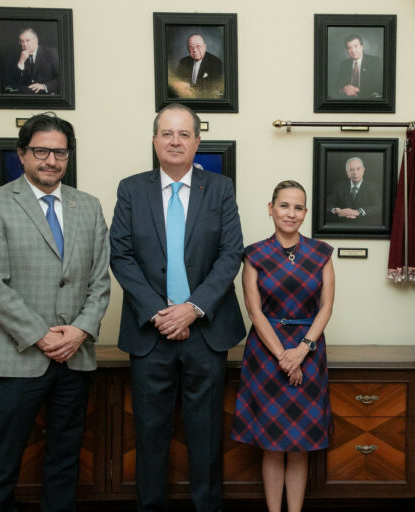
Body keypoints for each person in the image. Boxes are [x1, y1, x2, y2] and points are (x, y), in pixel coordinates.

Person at [0, 113, 111, 511]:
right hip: (18, 356)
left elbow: (100, 281)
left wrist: (80, 331)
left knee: (65, 460)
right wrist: (41, 335)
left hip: (75, 356)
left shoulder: (89, 206)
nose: (51, 160)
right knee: (2, 464)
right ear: (22, 154)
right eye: (41, 151)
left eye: (60, 152)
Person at [109, 103, 245, 512]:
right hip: (150, 334)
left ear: (197, 142)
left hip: (207, 331)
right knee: (150, 433)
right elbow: (121, 255)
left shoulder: (219, 188)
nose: (175, 141)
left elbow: (230, 254)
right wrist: (159, 312)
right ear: (154, 141)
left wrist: (193, 308)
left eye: (184, 134)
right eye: (167, 133)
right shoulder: (131, 189)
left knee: (205, 433)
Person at [231, 180, 334, 512]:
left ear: (305, 213)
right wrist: (283, 357)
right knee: (272, 443)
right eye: (285, 205)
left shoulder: (321, 253)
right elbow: (254, 311)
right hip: (266, 354)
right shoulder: (254, 254)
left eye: (298, 207)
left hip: (310, 351)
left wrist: (302, 350)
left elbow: (326, 308)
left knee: (299, 444)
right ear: (271, 208)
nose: (291, 213)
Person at [326, 157, 381, 224]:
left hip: (365, 224)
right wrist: (337, 210)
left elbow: (378, 207)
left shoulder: (372, 187)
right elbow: (327, 203)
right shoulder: (339, 186)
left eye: (358, 169)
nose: (355, 172)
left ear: (363, 170)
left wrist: (357, 212)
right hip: (342, 224)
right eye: (351, 169)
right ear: (347, 173)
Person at [169, 33, 224, 99]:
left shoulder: (216, 62)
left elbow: (213, 89)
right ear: (187, 49)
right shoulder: (183, 62)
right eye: (191, 47)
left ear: (204, 47)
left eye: (198, 46)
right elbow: (179, 84)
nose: (194, 50)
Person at [7, 28, 60, 94]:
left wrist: (44, 86)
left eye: (28, 40)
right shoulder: (17, 56)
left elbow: (62, 78)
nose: (25, 44)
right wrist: (21, 62)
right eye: (22, 41)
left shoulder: (51, 53)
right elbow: (12, 82)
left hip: (46, 95)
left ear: (36, 40)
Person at [331, 34, 382, 99]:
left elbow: (378, 86)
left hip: (367, 98)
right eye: (349, 48)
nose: (353, 50)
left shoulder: (374, 61)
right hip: (347, 99)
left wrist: (357, 90)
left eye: (355, 46)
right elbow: (338, 86)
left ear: (361, 46)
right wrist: (343, 90)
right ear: (347, 50)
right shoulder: (344, 64)